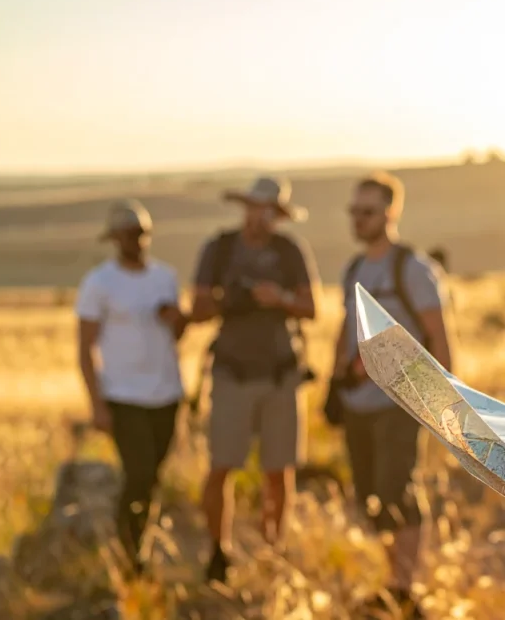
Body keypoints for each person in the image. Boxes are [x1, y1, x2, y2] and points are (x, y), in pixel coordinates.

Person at [331, 171, 453, 617]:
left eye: (367, 212)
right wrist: (335, 379)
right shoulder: (354, 270)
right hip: (357, 401)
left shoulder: (412, 269)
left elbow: (439, 334)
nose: (357, 220)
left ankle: (406, 589)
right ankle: (395, 583)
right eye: (354, 211)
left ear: (390, 213)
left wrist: (443, 400)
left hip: (401, 400)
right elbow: (346, 329)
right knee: (370, 496)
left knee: (396, 489)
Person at [189, 176, 319, 584]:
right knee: (221, 465)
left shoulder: (289, 251)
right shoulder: (220, 248)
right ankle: (218, 551)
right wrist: (231, 299)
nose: (258, 216)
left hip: (281, 373)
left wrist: (278, 299)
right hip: (232, 371)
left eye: (266, 210)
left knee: (279, 470)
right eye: (253, 207)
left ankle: (273, 552)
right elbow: (197, 307)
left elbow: (311, 306)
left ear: (277, 215)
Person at [75, 199, 187, 576]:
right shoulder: (99, 283)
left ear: (147, 236)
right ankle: (129, 552)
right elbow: (84, 348)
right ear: (114, 239)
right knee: (138, 473)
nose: (133, 241)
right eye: (125, 234)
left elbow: (177, 333)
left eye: (138, 233)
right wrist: (97, 405)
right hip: (123, 396)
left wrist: (177, 320)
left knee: (152, 475)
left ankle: (139, 543)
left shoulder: (165, 278)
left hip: (167, 394)